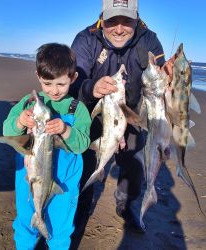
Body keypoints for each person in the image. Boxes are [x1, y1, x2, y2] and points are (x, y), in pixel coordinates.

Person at [69, 0, 173, 234]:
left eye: (126, 21)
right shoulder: (86, 39)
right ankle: (83, 204)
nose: (118, 28)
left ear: (137, 19)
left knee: (134, 167)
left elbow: (161, 78)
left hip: (135, 114)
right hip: (94, 113)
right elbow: (73, 80)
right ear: (102, 18)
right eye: (112, 21)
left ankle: (126, 207)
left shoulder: (149, 40)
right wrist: (91, 88)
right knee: (86, 164)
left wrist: (171, 80)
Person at [3, 43, 91, 250]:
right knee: (25, 222)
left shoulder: (77, 110)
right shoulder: (27, 104)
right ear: (38, 77)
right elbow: (8, 131)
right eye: (47, 83)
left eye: (61, 84)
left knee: (61, 227)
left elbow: (82, 144)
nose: (54, 91)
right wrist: (20, 122)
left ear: (73, 78)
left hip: (64, 184)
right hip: (30, 180)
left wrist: (65, 130)